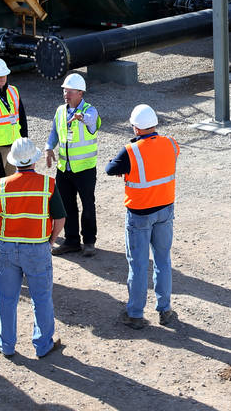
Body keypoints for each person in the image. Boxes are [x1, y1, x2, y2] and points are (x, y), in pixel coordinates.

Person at [0, 138, 66, 359]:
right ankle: (42, 344)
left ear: (14, 161)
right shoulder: (47, 184)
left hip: (6, 248)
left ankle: (7, 344)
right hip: (37, 248)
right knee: (41, 297)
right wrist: (50, 241)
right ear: (35, 160)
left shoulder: (1, 185)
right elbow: (60, 218)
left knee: (7, 298)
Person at [106, 104, 180, 329]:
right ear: (155, 124)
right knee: (162, 260)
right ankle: (165, 310)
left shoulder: (131, 150)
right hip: (165, 210)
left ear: (136, 128)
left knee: (138, 265)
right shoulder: (171, 143)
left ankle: (136, 314)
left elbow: (110, 168)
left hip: (139, 214)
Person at [45, 73, 101, 257]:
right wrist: (48, 148)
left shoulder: (90, 110)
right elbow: (54, 131)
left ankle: (89, 242)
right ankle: (71, 241)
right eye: (64, 91)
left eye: (70, 91)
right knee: (66, 205)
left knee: (87, 205)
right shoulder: (60, 111)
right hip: (64, 168)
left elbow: (92, 121)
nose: (66, 94)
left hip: (84, 168)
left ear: (80, 93)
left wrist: (81, 116)